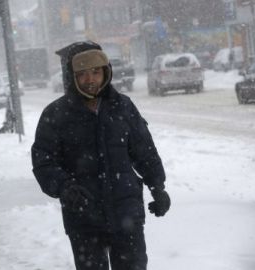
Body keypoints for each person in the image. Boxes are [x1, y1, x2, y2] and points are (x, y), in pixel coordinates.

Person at [31, 41, 171, 270]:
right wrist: (64, 187)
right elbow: (43, 161)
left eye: (96, 72)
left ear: (106, 72)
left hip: (127, 213)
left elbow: (144, 152)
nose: (90, 79)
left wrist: (158, 187)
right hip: (83, 217)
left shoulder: (123, 107)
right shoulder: (56, 114)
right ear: (72, 76)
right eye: (83, 74)